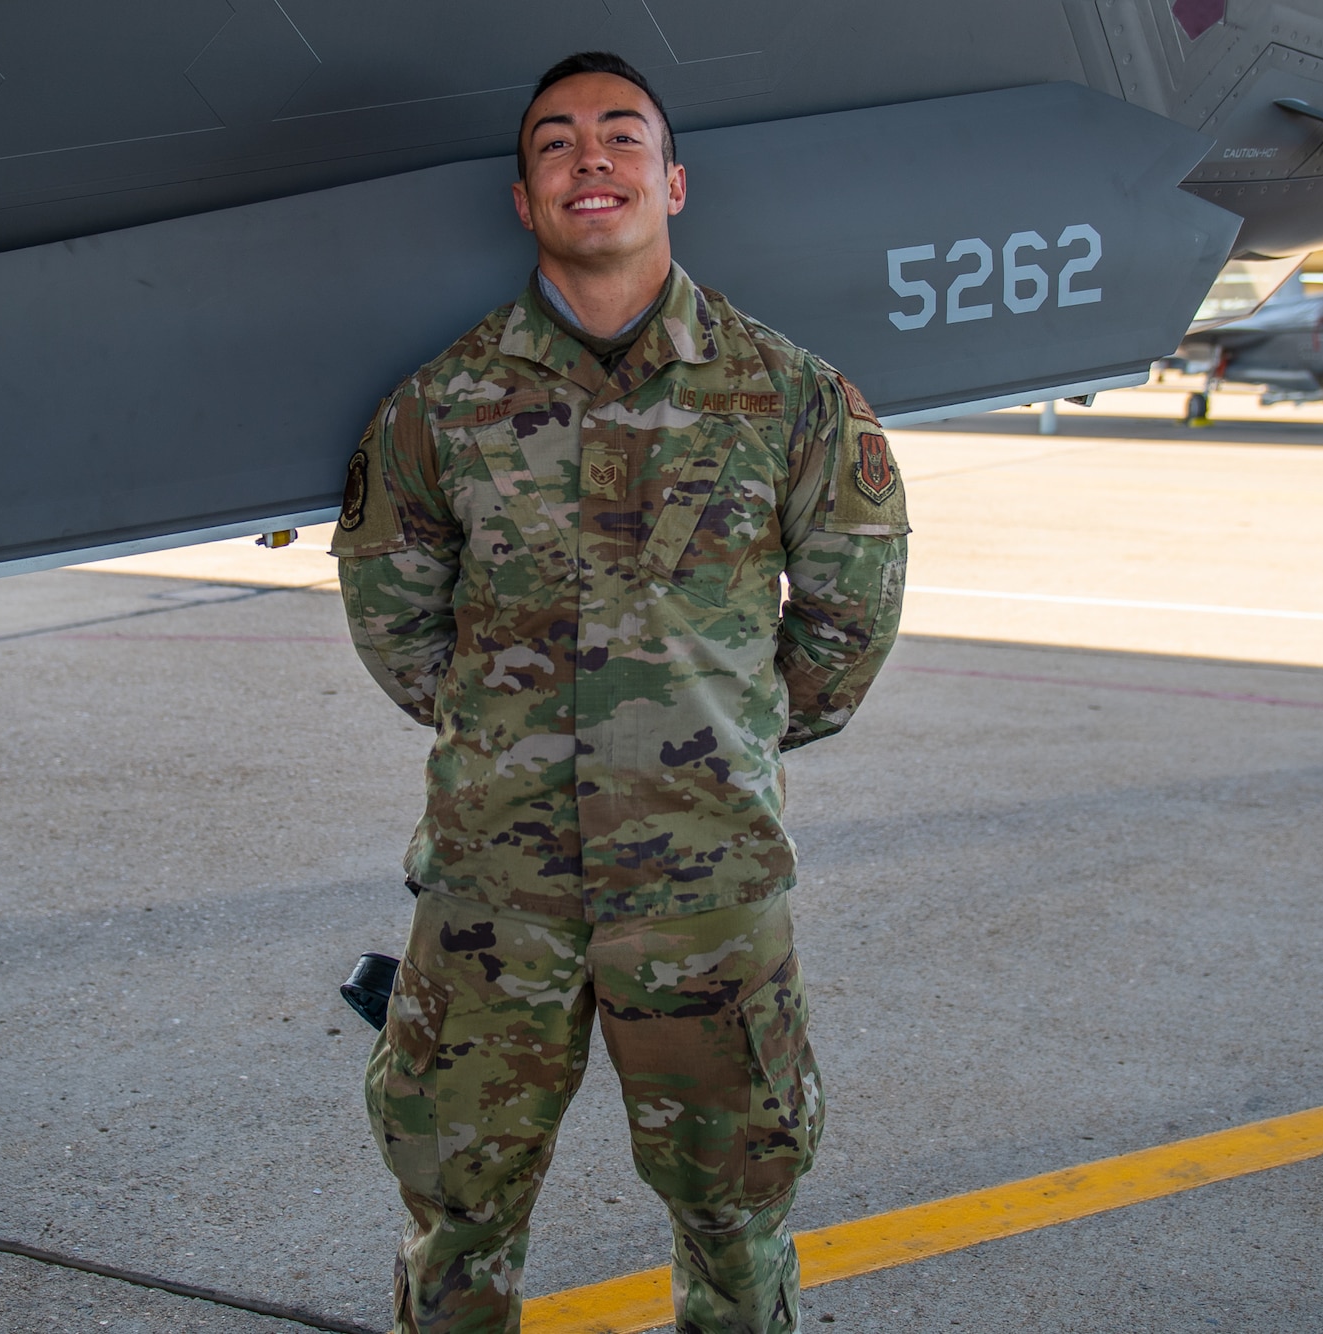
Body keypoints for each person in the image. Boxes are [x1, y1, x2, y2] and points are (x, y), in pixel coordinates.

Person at [330, 50, 909, 1334]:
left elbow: (847, 617)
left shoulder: (791, 398)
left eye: (620, 137)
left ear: (672, 181)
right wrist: (513, 749)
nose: (588, 158)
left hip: (706, 895)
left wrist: (721, 742)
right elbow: (395, 623)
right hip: (495, 892)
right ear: (524, 199)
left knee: (734, 1214)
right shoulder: (438, 408)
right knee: (457, 1211)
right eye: (553, 144)